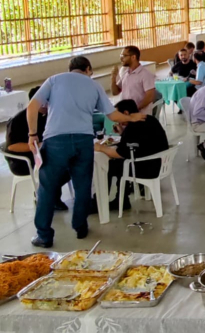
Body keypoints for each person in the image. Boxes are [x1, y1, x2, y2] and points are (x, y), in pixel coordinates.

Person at [27, 56, 146, 248]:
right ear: (88, 69)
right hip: (84, 140)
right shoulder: (94, 85)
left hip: (56, 140)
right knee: (83, 186)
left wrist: (32, 134)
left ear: (70, 68)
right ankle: (80, 227)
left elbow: (32, 106)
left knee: (47, 188)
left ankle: (44, 235)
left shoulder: (54, 80)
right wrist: (132, 117)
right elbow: (112, 115)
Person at [92, 99, 169, 212]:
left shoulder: (133, 127)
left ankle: (100, 202)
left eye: (118, 116)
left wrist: (101, 148)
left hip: (147, 168)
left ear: (126, 113)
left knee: (109, 166)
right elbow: (138, 143)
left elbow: (120, 154)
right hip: (160, 163)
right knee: (119, 164)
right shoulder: (149, 119)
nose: (117, 120)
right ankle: (121, 199)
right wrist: (122, 132)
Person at [3, 87, 67, 211]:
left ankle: (49, 194)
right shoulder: (18, 120)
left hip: (44, 153)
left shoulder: (49, 115)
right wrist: (39, 146)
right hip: (22, 160)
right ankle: (47, 197)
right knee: (56, 165)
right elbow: (12, 146)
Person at [111, 45, 156, 114]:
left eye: (124, 56)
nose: (121, 59)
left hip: (140, 114)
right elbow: (115, 92)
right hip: (127, 114)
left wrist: (135, 109)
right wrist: (113, 78)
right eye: (121, 56)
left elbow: (150, 96)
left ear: (133, 57)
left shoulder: (145, 75)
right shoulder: (125, 73)